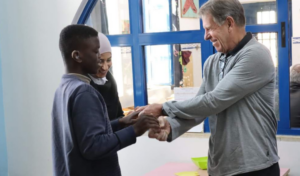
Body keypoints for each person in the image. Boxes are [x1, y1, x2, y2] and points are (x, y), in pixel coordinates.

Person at [141, 0, 280, 175]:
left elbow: (214, 101)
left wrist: (163, 108)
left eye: (210, 28)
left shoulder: (256, 55)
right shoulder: (212, 62)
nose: (206, 36)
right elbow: (201, 108)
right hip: (220, 167)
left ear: (229, 23)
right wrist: (171, 127)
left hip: (256, 168)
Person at [52, 24, 160, 176]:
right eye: (96, 52)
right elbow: (93, 146)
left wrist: (120, 123)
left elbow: (83, 136)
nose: (100, 60)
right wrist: (134, 130)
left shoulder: (63, 88)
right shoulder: (84, 92)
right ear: (77, 56)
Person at [88, 33, 125, 121]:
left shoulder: (110, 80)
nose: (105, 67)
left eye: (108, 60)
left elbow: (119, 114)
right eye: (100, 61)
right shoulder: (84, 87)